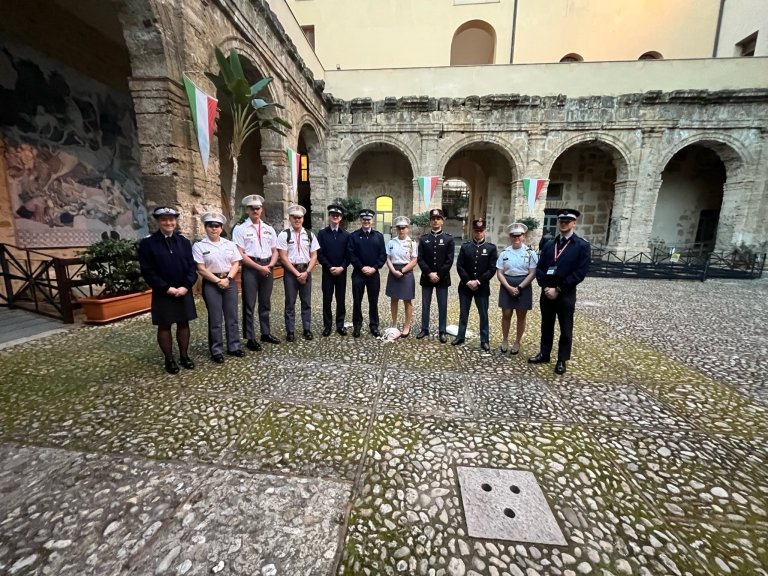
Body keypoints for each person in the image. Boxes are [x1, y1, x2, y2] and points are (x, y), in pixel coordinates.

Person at [529, 208, 591, 375]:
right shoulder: (550, 244)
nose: (563, 224)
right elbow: (540, 268)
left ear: (574, 223)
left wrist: (558, 289)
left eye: (567, 221)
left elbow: (580, 272)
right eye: (561, 221)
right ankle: (544, 353)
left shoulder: (581, 246)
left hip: (565, 293)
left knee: (565, 327)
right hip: (547, 291)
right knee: (546, 325)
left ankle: (562, 359)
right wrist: (544, 287)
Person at [138, 206, 198, 374]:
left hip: (183, 290)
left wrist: (186, 286)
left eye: (171, 219)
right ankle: (169, 359)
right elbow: (147, 271)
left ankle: (184, 356)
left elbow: (191, 268)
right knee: (164, 326)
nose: (168, 222)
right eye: (164, 219)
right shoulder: (148, 243)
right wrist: (166, 288)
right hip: (163, 292)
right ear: (158, 221)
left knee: (183, 323)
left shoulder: (184, 242)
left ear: (175, 221)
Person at [192, 212, 244, 363]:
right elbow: (201, 268)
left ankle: (234, 346)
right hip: (211, 283)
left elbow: (236, 263)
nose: (213, 229)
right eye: (210, 226)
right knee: (215, 318)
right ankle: (216, 350)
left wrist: (228, 279)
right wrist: (217, 281)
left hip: (229, 281)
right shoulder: (199, 246)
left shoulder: (229, 244)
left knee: (232, 316)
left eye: (217, 226)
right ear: (206, 227)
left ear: (221, 228)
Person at [232, 194, 280, 350]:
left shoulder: (269, 229)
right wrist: (259, 267)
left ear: (261, 209)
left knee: (265, 303)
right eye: (252, 208)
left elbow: (275, 250)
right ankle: (250, 337)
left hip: (268, 267)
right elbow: (240, 253)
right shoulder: (240, 229)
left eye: (258, 208)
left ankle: (265, 333)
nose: (255, 211)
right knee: (249, 304)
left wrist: (271, 265)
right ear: (247, 210)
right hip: (251, 268)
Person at [453, 218, 498, 351]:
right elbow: (460, 265)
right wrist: (468, 281)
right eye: (476, 231)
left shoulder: (491, 248)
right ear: (473, 231)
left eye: (481, 231)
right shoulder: (466, 247)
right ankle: (460, 336)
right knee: (463, 313)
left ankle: (484, 340)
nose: (479, 233)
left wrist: (478, 281)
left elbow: (492, 268)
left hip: (482, 288)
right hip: (465, 287)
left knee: (483, 315)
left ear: (485, 231)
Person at [276, 204, 319, 341]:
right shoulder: (284, 235)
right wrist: (296, 273)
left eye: (299, 217)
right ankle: (290, 331)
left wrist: (306, 272)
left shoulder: (310, 235)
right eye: (294, 217)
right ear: (290, 218)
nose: (297, 220)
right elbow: (283, 257)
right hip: (291, 272)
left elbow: (314, 256)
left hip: (306, 270)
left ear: (303, 219)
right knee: (290, 302)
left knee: (306, 302)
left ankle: (307, 329)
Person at [496, 222, 538, 355]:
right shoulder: (504, 253)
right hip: (507, 284)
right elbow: (499, 273)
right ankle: (505, 340)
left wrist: (520, 287)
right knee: (506, 314)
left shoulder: (530, 253)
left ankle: (517, 341)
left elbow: (532, 273)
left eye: (519, 235)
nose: (516, 238)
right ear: (510, 237)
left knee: (521, 315)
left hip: (523, 285)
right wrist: (508, 287)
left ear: (523, 236)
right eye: (513, 236)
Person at [416, 208, 455, 343]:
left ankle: (442, 331)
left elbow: (449, 260)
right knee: (425, 304)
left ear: (442, 221)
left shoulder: (448, 239)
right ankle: (424, 328)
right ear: (430, 221)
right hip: (427, 277)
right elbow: (420, 258)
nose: (435, 221)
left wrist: (438, 274)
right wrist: (429, 273)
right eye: (433, 219)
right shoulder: (424, 239)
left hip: (442, 278)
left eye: (438, 219)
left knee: (442, 305)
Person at [347, 208, 387, 337]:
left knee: (373, 301)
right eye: (364, 219)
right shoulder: (354, 236)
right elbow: (351, 254)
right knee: (357, 301)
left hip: (374, 274)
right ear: (361, 220)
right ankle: (357, 326)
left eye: (368, 219)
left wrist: (374, 268)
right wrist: (361, 267)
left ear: (372, 221)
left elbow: (382, 255)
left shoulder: (378, 236)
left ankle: (374, 326)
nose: (366, 221)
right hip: (359, 273)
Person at [316, 203, 350, 336]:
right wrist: (330, 267)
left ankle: (340, 325)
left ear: (340, 218)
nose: (335, 217)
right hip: (327, 272)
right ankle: (327, 325)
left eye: (337, 215)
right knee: (327, 298)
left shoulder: (346, 235)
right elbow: (319, 253)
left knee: (340, 299)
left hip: (341, 272)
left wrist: (342, 267)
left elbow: (349, 254)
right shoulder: (322, 233)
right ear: (329, 217)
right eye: (333, 215)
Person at [385, 215, 418, 337]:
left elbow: (414, 260)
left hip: (406, 272)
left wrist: (402, 271)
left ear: (407, 228)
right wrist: (393, 271)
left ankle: (407, 325)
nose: (401, 230)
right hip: (393, 270)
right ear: (396, 229)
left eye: (403, 228)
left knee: (407, 300)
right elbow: (388, 258)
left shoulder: (412, 243)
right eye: (399, 228)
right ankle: (394, 324)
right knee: (394, 298)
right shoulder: (391, 242)